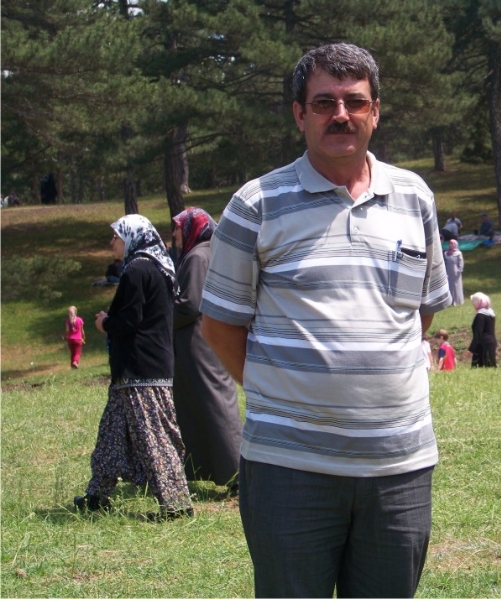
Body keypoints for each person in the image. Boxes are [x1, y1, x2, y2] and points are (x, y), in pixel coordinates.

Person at [198, 43, 451, 598]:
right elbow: (218, 327)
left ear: (375, 111)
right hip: (289, 471)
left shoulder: (414, 197)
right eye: (323, 103)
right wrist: (285, 394)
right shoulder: (255, 204)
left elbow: (421, 312)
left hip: (399, 469)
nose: (341, 114)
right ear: (299, 114)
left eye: (355, 102)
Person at [74, 215, 193, 521]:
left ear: (131, 237)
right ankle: (97, 496)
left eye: (116, 236)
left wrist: (105, 323)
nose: (111, 242)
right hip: (140, 368)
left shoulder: (138, 269)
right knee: (110, 434)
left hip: (141, 369)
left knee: (154, 438)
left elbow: (130, 320)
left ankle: (177, 505)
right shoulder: (157, 267)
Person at [172, 207, 242, 492]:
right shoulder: (210, 251)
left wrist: (161, 312)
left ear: (192, 227)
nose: (174, 233)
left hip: (199, 345)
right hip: (205, 341)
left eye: (178, 227)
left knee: (215, 404)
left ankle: (237, 472)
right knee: (205, 406)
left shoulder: (197, 256)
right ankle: (219, 469)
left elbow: (189, 304)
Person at [467, 292, 497, 367]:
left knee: (478, 367)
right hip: (491, 342)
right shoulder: (491, 314)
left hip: (482, 345)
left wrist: (471, 349)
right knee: (490, 366)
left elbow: (478, 334)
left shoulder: (480, 316)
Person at [444, 239, 464, 305]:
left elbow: (461, 262)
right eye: (449, 243)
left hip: (456, 272)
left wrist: (459, 270)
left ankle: (457, 300)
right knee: (449, 286)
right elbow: (445, 263)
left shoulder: (458, 253)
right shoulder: (446, 253)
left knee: (456, 286)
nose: (450, 245)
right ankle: (450, 301)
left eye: (452, 244)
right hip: (448, 272)